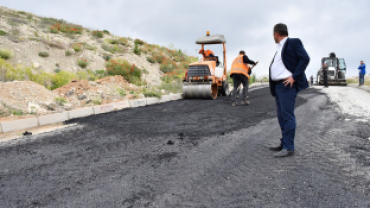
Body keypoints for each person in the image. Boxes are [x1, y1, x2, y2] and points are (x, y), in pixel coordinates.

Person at [268, 23, 310, 157]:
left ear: (276, 34)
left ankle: (289, 147)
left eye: (273, 35)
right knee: (281, 117)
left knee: (287, 116)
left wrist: (294, 77)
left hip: (287, 85)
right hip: (279, 86)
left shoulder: (292, 42)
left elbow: (305, 58)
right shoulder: (279, 48)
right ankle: (284, 143)